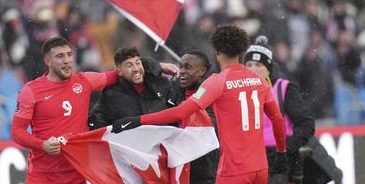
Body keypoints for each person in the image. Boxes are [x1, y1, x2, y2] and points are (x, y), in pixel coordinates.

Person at [112, 24, 288, 184]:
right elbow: (277, 119)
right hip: (260, 168)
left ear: (217, 51)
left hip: (234, 171)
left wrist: (138, 120)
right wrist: (282, 153)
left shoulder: (217, 82)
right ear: (242, 51)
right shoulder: (259, 80)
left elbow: (181, 112)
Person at [11, 37, 178, 183]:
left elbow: (123, 71)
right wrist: (42, 145)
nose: (67, 60)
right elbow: (17, 132)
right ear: (48, 61)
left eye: (69, 54)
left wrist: (159, 66)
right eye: (60, 56)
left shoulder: (84, 81)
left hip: (78, 172)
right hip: (43, 175)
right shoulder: (31, 91)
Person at [244, 35, 315, 184]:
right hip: (250, 159)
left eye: (258, 65)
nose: (253, 69)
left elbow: (306, 123)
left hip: (279, 160)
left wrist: (288, 147)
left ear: (268, 68)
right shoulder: (239, 91)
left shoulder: (284, 88)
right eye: (249, 64)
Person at [88, 47, 178, 129]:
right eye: (129, 65)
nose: (136, 69)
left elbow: (177, 113)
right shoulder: (111, 94)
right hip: (132, 145)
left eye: (138, 63)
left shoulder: (161, 83)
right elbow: (98, 121)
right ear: (119, 72)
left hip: (163, 143)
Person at [177, 50, 219, 184]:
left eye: (187, 67)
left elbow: (212, 127)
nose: (182, 71)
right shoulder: (174, 91)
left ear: (202, 71)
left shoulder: (213, 95)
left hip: (204, 169)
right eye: (180, 66)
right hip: (180, 166)